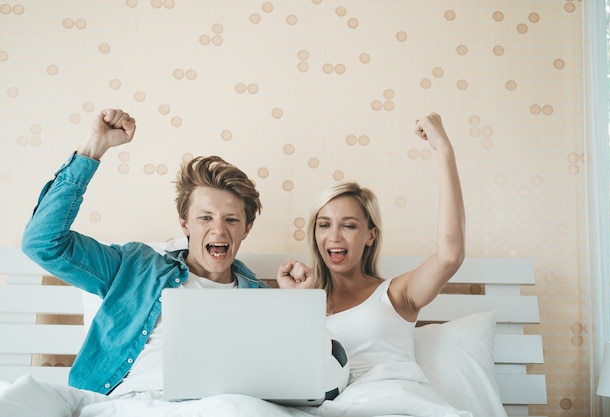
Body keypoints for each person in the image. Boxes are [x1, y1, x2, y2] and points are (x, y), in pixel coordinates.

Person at [21, 108, 268, 398]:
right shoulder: (135, 267)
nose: (218, 230)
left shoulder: (262, 300)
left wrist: (301, 299)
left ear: (247, 228)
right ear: (184, 223)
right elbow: (42, 243)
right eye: (205, 218)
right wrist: (92, 148)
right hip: (129, 404)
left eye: (231, 219)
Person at [277, 113, 468, 414]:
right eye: (324, 225)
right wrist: (298, 304)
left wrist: (444, 150)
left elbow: (450, 255)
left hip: (401, 404)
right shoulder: (305, 302)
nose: (334, 237)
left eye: (349, 226)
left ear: (370, 236)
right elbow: (283, 377)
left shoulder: (396, 294)